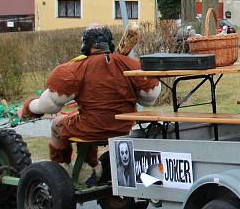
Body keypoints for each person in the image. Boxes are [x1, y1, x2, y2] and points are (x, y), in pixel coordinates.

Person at [20, 25, 161, 180]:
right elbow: (150, 98)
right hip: (123, 127)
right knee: (80, 120)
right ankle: (91, 166)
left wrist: (29, 107)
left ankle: (62, 170)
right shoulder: (130, 64)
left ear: (86, 44)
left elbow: (50, 104)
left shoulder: (76, 69)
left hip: (92, 128)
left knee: (57, 125)